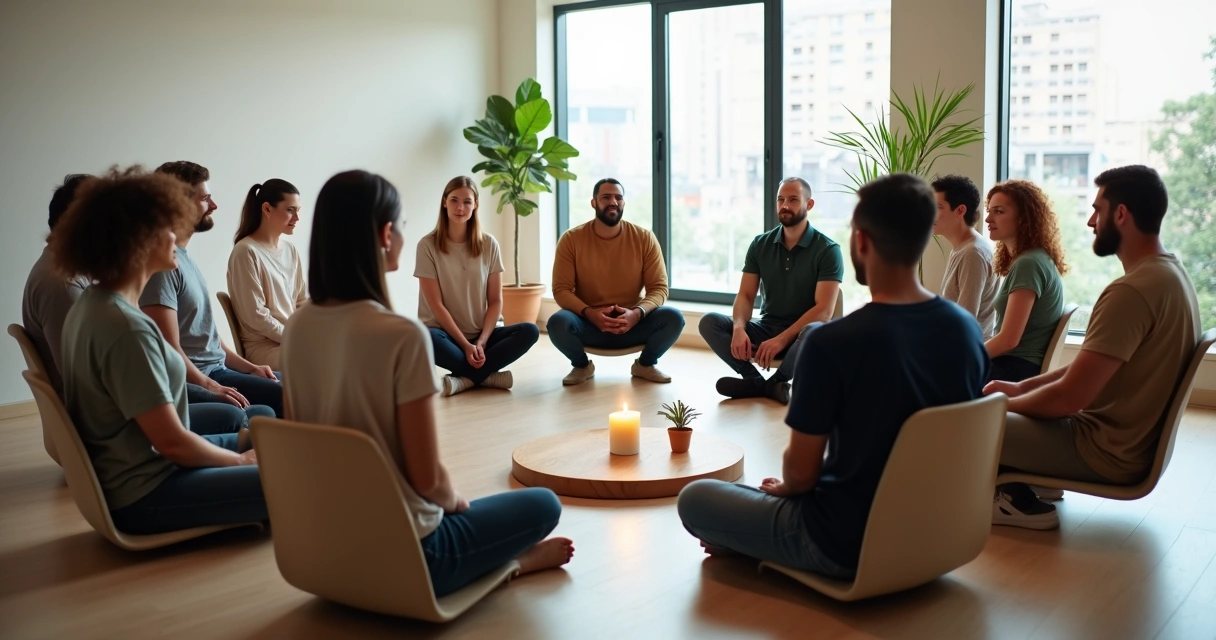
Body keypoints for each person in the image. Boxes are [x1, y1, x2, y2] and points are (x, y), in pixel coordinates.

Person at [677, 173, 989, 578]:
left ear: (861, 242)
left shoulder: (833, 343)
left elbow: (800, 477)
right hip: (943, 538)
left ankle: (747, 537)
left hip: (847, 545)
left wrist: (784, 490)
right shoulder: (966, 331)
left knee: (697, 496)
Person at [282, 170, 573, 597]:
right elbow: (428, 480)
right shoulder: (402, 336)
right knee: (543, 503)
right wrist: (459, 505)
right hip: (412, 559)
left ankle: (475, 379)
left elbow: (300, 446)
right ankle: (512, 563)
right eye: (399, 225)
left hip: (319, 552)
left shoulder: (297, 329)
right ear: (385, 234)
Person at [984, 165, 1202, 530]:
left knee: (958, 426)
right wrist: (1020, 388)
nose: (1090, 222)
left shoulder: (1132, 292)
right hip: (1118, 444)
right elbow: (1085, 368)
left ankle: (1009, 500)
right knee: (983, 408)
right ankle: (1031, 474)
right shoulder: (1169, 275)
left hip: (1101, 451)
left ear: (1121, 214)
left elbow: (1067, 399)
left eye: (1097, 210)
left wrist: (1001, 406)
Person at [52, 166, 265, 534]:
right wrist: (239, 461)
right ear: (142, 240)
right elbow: (173, 444)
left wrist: (244, 453)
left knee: (271, 436)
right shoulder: (125, 328)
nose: (176, 236)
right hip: (148, 491)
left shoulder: (94, 303)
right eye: (169, 226)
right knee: (297, 475)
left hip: (139, 468)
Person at [23, 173, 270, 438]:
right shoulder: (66, 287)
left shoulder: (91, 290)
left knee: (255, 415)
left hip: (131, 415)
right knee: (247, 417)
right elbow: (95, 388)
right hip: (118, 430)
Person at [141, 161, 284, 417]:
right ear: (178, 204)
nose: (214, 205)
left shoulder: (182, 258)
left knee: (293, 383)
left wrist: (250, 368)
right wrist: (210, 385)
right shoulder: (162, 267)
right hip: (200, 377)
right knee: (289, 394)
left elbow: (209, 339)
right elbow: (168, 349)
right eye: (205, 198)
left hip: (218, 369)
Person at [699, 177, 842, 404]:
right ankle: (759, 382)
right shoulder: (760, 244)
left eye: (793, 200)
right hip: (767, 329)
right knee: (710, 322)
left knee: (813, 331)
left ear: (809, 204)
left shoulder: (828, 250)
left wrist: (782, 340)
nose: (785, 205)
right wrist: (738, 328)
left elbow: (824, 311)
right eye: (780, 200)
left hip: (802, 337)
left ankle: (778, 380)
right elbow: (745, 295)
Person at [548, 178, 685, 385]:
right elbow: (561, 290)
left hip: (632, 322)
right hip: (589, 323)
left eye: (618, 197)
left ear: (623, 203)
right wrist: (590, 313)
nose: (613, 202)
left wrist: (637, 314)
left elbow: (659, 288)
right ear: (594, 202)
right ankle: (582, 366)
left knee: (674, 318)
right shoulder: (571, 239)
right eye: (606, 197)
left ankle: (645, 365)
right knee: (557, 323)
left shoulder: (644, 238)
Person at [415, 176, 539, 397]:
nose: (460, 208)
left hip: (481, 334)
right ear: (444, 202)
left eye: (467, 202)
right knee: (424, 337)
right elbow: (436, 306)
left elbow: (495, 301)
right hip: (443, 334)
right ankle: (488, 376)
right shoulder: (427, 246)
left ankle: (464, 379)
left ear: (475, 205)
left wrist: (480, 341)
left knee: (529, 331)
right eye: (454, 200)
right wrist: (465, 345)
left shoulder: (489, 244)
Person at [984, 179, 1067, 382]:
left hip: (1013, 371)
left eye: (998, 211)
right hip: (1014, 367)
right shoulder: (1035, 258)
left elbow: (1009, 340)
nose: (988, 219)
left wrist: (965, 357)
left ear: (1023, 218)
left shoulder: (1028, 264)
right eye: (989, 210)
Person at [225, 179, 307, 369]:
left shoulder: (290, 250)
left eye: (298, 210)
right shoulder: (246, 251)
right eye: (290, 210)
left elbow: (302, 301)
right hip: (264, 349)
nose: (296, 218)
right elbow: (256, 316)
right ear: (267, 209)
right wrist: (295, 338)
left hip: (291, 341)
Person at [933, 174, 998, 338]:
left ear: (960, 210)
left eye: (937, 207)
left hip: (966, 355)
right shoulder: (962, 249)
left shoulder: (973, 254)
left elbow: (965, 322)